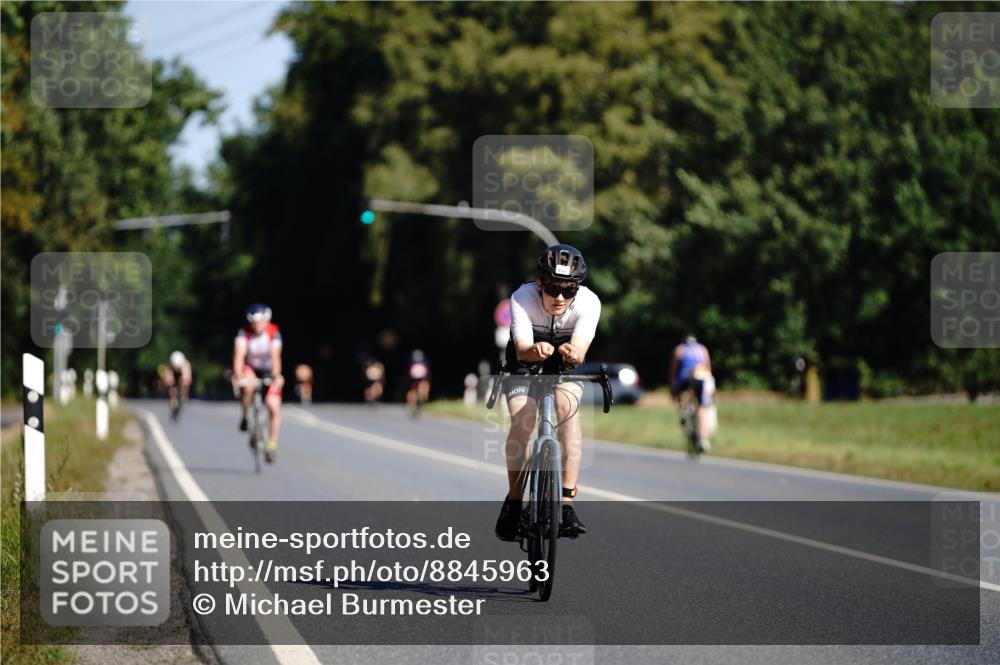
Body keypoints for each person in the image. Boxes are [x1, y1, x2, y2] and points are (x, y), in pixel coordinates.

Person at [495, 244, 600, 541]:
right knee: (524, 419)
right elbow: (522, 349)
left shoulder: (589, 303)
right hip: (526, 359)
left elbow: (580, 351)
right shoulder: (521, 297)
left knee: (568, 411)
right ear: (540, 284)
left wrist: (572, 351)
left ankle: (566, 503)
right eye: (553, 289)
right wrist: (533, 349)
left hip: (564, 363)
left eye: (569, 291)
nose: (560, 298)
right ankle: (514, 503)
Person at [232, 303, 284, 463]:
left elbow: (276, 357)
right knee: (247, 385)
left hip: (268, 369)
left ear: (267, 321)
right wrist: (238, 375)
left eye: (261, 322)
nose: (257, 325)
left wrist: (276, 375)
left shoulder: (273, 333)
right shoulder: (243, 333)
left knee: (273, 405)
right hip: (251, 367)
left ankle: (272, 444)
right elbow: (239, 356)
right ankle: (245, 415)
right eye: (254, 322)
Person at [669, 335, 715, 453]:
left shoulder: (679, 349)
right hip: (702, 377)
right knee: (702, 409)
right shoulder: (703, 349)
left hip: (686, 377)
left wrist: (673, 388)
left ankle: (683, 411)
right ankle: (704, 440)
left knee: (679, 392)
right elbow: (709, 368)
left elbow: (673, 370)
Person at [161, 350, 192, 419]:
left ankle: (184, 397)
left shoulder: (185, 365)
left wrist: (184, 387)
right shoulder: (169, 366)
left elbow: (187, 379)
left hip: (182, 375)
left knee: (185, 383)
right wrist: (169, 383)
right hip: (173, 376)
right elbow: (167, 379)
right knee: (171, 387)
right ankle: (173, 401)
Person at [406, 350, 431, 414]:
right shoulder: (411, 363)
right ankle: (412, 406)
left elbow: (428, 373)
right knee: (413, 393)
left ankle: (420, 403)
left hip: (423, 380)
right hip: (414, 381)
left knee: (423, 391)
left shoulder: (425, 363)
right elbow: (409, 373)